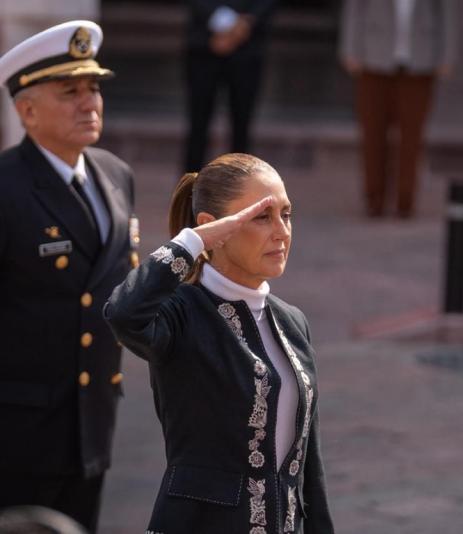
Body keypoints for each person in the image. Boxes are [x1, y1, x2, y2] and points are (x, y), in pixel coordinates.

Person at [104, 153, 334, 533]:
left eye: (286, 214)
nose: (281, 231)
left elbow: (310, 466)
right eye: (262, 217)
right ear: (213, 228)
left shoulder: (292, 321)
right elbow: (123, 314)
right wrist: (190, 243)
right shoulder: (181, 312)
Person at [0, 21, 137, 533]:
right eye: (70, 92)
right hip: (18, 435)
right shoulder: (6, 189)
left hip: (91, 425)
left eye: (94, 87)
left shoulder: (115, 174)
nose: (90, 103)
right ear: (27, 111)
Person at [339, 0, 457, 218]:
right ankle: (374, 199)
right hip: (374, 55)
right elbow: (355, 8)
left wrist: (446, 55)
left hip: (420, 59)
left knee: (412, 135)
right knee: (373, 133)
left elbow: (445, 12)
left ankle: (406, 199)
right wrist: (350, 49)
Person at [184, 0, 278, 172]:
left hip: (249, 48)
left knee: (242, 125)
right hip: (205, 44)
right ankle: (191, 189)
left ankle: (238, 188)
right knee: (198, 124)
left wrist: (244, 25)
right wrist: (227, 23)